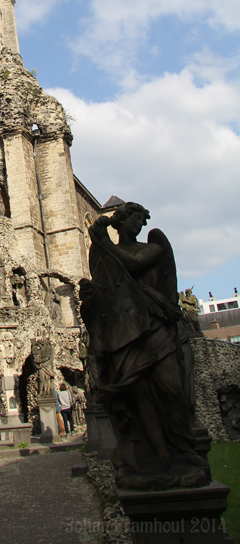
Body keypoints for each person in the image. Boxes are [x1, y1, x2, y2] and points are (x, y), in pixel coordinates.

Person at [80, 202, 210, 489]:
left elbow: (133, 265)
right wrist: (89, 297)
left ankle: (183, 449)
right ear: (120, 221)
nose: (138, 224)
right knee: (138, 394)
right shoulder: (103, 255)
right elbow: (104, 292)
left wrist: (101, 243)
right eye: (133, 219)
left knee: (172, 388)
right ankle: (159, 455)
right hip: (126, 333)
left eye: (141, 219)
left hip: (154, 326)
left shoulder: (152, 247)